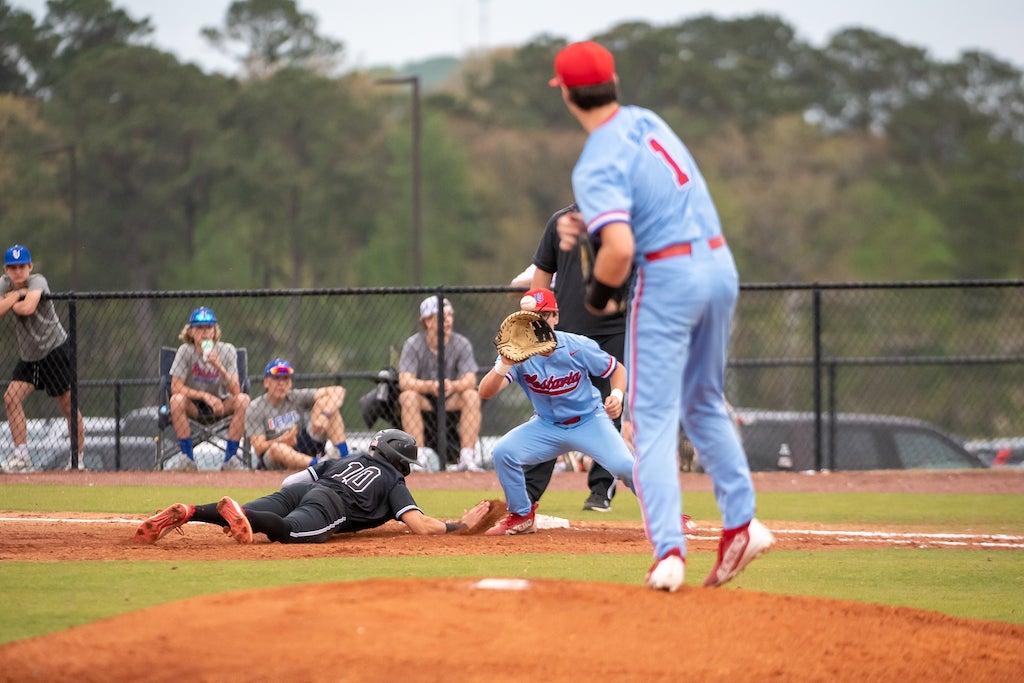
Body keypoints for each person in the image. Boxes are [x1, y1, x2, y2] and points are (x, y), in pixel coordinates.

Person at [548, 41, 774, 590]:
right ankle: (743, 522)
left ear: (567, 96)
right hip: (717, 264)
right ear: (614, 81)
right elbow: (650, 198)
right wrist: (589, 224)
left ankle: (669, 551)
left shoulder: (594, 159)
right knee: (702, 401)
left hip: (668, 276)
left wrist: (600, 297)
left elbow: (621, 249)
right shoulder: (648, 121)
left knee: (649, 420)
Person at [134, 428, 491, 545]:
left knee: (252, 511)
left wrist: (291, 498)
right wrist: (460, 526)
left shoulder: (350, 457)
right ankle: (248, 518)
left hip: (307, 487)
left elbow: (292, 481)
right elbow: (420, 525)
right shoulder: (392, 480)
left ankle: (191, 511)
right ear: (399, 461)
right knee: (288, 531)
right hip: (331, 504)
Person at [478, 288, 635, 535]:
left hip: (589, 421)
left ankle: (667, 514)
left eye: (542, 315)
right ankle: (522, 514)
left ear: (555, 317)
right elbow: (485, 392)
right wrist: (504, 365)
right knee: (503, 452)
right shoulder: (518, 353)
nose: (536, 322)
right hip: (547, 425)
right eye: (529, 317)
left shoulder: (577, 346)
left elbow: (617, 370)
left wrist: (617, 395)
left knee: (626, 466)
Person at [520, 203, 629, 512]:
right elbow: (543, 271)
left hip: (613, 329)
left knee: (611, 407)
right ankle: (529, 493)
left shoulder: (620, 222)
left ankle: (600, 489)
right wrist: (533, 321)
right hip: (564, 333)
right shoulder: (560, 223)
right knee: (550, 406)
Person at [0, 244, 84, 472]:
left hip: (54, 349)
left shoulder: (38, 281)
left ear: (30, 266)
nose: (17, 271)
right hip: (29, 355)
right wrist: (17, 293)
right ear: (6, 269)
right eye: (12, 267)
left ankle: (77, 459)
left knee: (67, 404)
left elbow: (28, 308)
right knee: (11, 398)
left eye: (21, 266)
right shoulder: (4, 284)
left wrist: (13, 299)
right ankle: (22, 456)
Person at [398, 296, 482, 472]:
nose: (448, 320)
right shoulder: (413, 344)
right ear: (428, 322)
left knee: (472, 395)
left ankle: (467, 458)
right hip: (424, 398)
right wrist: (430, 386)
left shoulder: (461, 343)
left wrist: (452, 386)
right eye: (442, 317)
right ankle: (418, 458)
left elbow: (470, 380)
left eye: (450, 315)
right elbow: (405, 381)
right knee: (407, 396)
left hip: (451, 397)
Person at [167, 306, 250, 471]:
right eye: (199, 328)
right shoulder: (185, 351)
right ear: (191, 331)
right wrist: (205, 396)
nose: (204, 332)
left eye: (208, 327)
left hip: (221, 406)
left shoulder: (227, 350)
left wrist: (219, 366)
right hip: (194, 407)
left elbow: (236, 392)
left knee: (243, 400)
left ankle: (230, 461)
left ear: (214, 330)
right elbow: (175, 387)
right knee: (175, 400)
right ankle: (187, 460)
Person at [245, 358, 349, 470]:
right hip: (274, 456)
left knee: (325, 404)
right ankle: (320, 466)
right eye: (276, 378)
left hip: (301, 446)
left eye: (285, 379)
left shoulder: (295, 397)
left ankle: (344, 459)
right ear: (266, 382)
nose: (281, 383)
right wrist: (281, 440)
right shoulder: (255, 407)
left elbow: (338, 391)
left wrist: (324, 415)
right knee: (277, 448)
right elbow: (259, 448)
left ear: (290, 383)